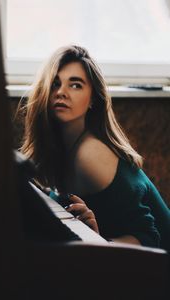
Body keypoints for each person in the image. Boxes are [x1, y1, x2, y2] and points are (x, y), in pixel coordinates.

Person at [20, 45, 170, 250]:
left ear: (93, 100)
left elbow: (149, 238)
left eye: (76, 85)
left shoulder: (89, 153)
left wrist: (98, 241)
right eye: (55, 83)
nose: (61, 92)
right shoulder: (59, 149)